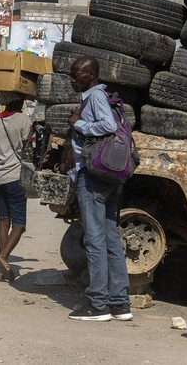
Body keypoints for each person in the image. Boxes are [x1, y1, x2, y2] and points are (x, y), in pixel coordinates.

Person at [67, 55, 132, 322]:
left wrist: (78, 124)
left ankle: (98, 304)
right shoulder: (105, 96)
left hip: (93, 175)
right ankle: (120, 303)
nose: (72, 79)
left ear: (91, 75)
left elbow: (107, 126)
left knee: (94, 240)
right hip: (110, 175)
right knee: (110, 239)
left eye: (77, 74)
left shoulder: (94, 97)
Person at [0, 92, 32, 282]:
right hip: (14, 177)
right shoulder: (23, 120)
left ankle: (4, 270)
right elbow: (28, 147)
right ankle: (3, 257)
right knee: (19, 224)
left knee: (4, 220)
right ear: (18, 101)